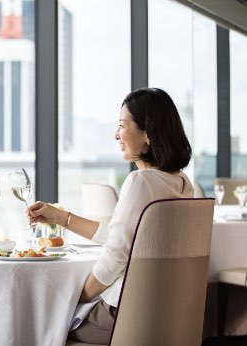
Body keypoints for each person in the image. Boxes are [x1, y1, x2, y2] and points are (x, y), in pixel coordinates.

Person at [27, 87, 193, 344]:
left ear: (148, 133)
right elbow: (124, 238)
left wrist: (76, 296)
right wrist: (63, 218)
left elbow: (116, 255)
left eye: (122, 125)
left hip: (125, 316)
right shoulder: (181, 182)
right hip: (169, 312)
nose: (116, 135)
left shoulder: (141, 181)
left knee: (38, 324)